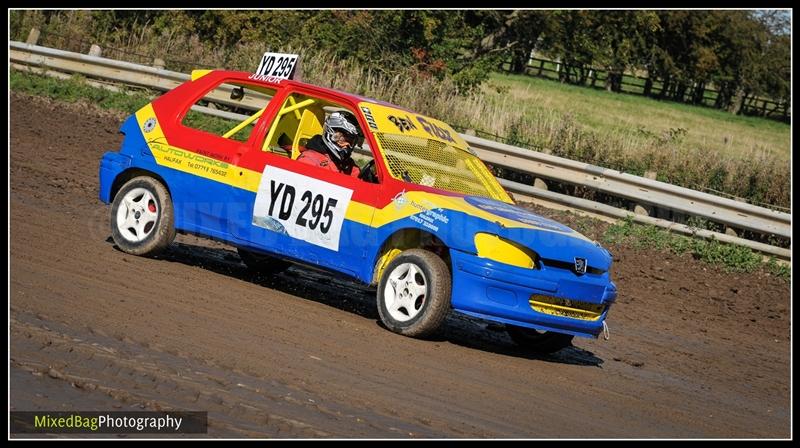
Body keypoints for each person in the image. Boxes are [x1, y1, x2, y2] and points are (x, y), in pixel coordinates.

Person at [296, 111, 363, 177]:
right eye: (343, 140)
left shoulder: (346, 162)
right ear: (331, 134)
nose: (348, 145)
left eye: (352, 142)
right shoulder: (309, 160)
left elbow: (358, 177)